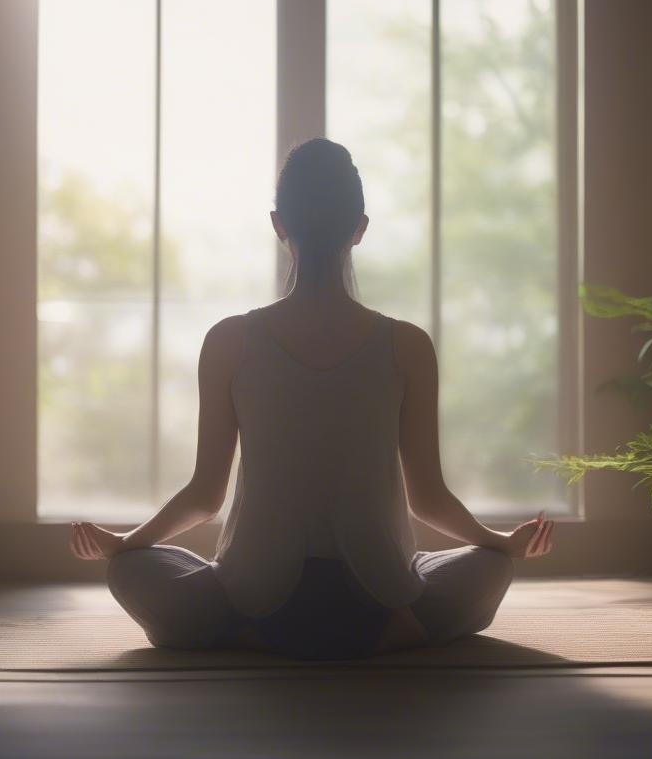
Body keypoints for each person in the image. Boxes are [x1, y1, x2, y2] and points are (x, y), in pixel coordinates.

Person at [69, 138, 555, 661]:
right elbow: (428, 499)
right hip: (381, 602)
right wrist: (500, 541)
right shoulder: (407, 345)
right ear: (360, 228)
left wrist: (126, 543)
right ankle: (399, 631)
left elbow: (204, 496)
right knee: (489, 568)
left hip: (252, 602)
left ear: (279, 225)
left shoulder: (229, 340)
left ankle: (244, 637)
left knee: (132, 571)